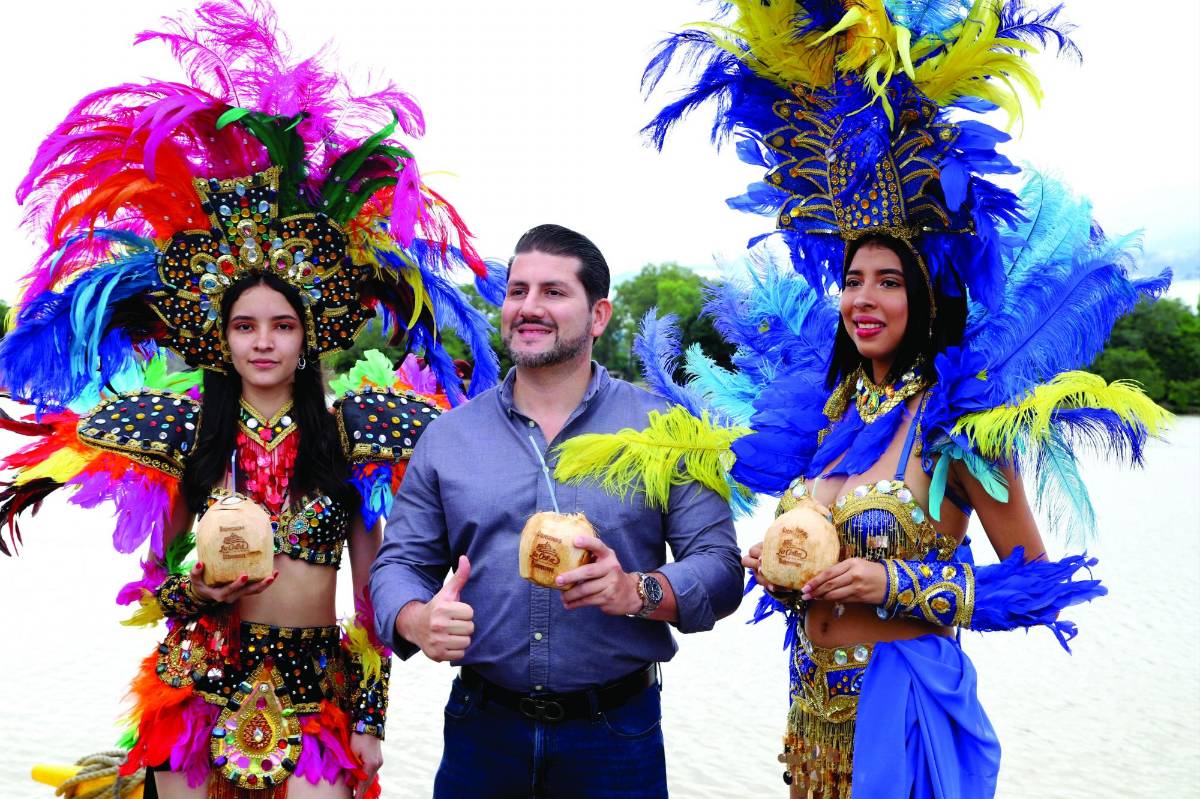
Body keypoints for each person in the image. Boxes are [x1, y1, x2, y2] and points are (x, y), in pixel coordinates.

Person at [556, 2, 1174, 797]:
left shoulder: (959, 424)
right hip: (813, 711)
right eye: (852, 279)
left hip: (906, 706)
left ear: (926, 296)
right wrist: (779, 569)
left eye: (889, 281)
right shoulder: (830, 416)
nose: (864, 299)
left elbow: (1036, 586)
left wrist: (890, 586)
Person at [0, 3, 498, 798]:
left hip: (315, 697)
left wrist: (370, 719)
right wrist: (199, 590)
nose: (263, 341)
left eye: (282, 325)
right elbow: (159, 582)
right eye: (244, 325)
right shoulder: (187, 433)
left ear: (308, 337)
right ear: (221, 338)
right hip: (197, 689)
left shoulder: (353, 436)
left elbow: (373, 599)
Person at [369, 223, 745, 799]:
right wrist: (416, 619)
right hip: (481, 732)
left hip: (616, 736)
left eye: (553, 292)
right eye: (517, 291)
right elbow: (398, 565)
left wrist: (635, 590)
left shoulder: (667, 430)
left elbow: (720, 568)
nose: (529, 307)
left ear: (599, 316)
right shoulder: (448, 437)